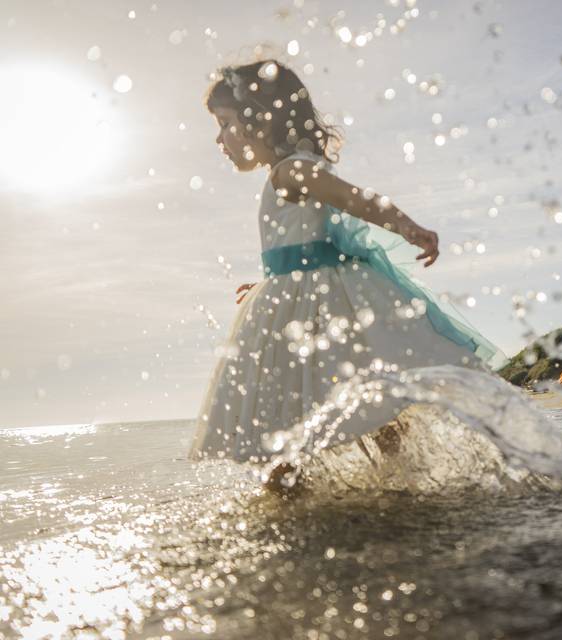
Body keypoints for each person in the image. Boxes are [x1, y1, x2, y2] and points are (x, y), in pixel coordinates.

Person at [189, 60, 498, 485]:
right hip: (304, 297)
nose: (219, 138)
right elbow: (307, 242)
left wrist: (407, 226)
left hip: (316, 306)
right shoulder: (287, 171)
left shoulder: (289, 171)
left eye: (224, 124)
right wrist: (269, 282)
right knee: (362, 408)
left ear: (260, 119)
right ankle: (398, 487)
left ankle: (295, 506)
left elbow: (356, 199)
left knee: (290, 420)